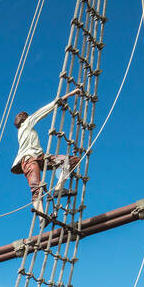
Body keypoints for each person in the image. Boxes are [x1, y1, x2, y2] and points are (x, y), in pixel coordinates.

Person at [11, 88, 84, 217]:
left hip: (40, 157)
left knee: (71, 160)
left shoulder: (23, 130)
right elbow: (44, 111)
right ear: (23, 119)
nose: (25, 115)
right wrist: (70, 94)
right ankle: (41, 218)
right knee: (36, 189)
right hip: (29, 160)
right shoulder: (26, 124)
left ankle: (58, 189)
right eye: (23, 115)